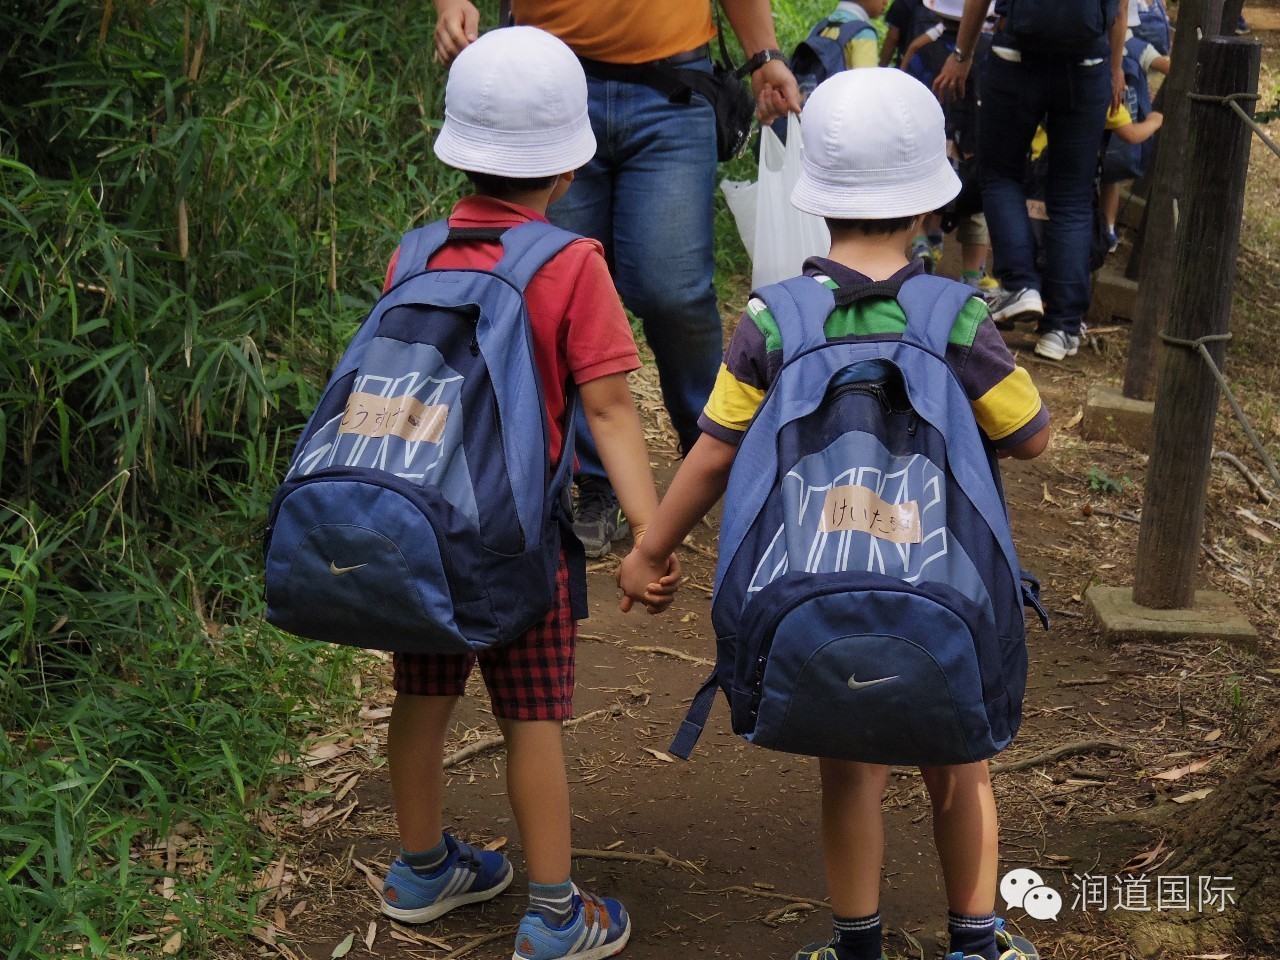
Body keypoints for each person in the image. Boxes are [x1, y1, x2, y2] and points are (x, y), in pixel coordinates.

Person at [619, 68, 1050, 960]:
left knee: (848, 770)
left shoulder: (774, 323)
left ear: (816, 203)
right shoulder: (959, 317)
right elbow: (1032, 437)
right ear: (930, 203)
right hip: (946, 581)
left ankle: (858, 944)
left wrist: (650, 549)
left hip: (818, 578)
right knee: (959, 763)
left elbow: (713, 453)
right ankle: (977, 940)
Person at [379, 27, 678, 960]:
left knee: (421, 699)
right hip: (520, 542)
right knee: (531, 716)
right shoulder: (570, 263)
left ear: (458, 148)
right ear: (568, 164)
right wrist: (647, 533)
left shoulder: (416, 249)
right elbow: (612, 409)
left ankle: (422, 869)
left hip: (422, 523)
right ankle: (554, 914)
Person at [432, 0, 801, 559]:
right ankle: (598, 483)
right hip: (545, 88)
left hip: (674, 90)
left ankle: (713, 446)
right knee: (555, 295)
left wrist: (765, 54)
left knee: (672, 290)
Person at [934, 0, 1129, 362]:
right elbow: (1120, 8)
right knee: (1071, 194)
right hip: (1088, 62)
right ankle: (1062, 327)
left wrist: (962, 55)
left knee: (1000, 173)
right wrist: (1115, 68)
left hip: (1016, 56)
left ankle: (1020, 283)